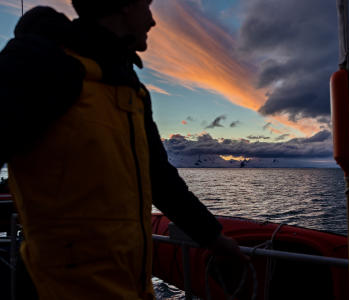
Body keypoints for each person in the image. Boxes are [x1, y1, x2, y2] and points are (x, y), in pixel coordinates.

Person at [0, 0, 247, 299]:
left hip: (131, 287)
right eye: (147, 5)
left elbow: (160, 179)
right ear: (125, 6)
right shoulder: (43, 64)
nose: (153, 21)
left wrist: (215, 239)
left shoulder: (131, 91)